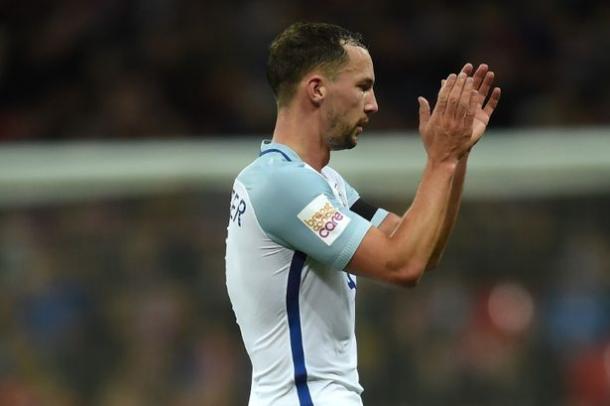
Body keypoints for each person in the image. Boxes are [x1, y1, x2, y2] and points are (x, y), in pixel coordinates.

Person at [225, 22, 501, 405]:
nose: (373, 104)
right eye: (363, 86)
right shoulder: (281, 185)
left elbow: (423, 248)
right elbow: (400, 264)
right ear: (317, 89)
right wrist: (439, 159)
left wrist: (454, 157)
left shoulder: (324, 184)